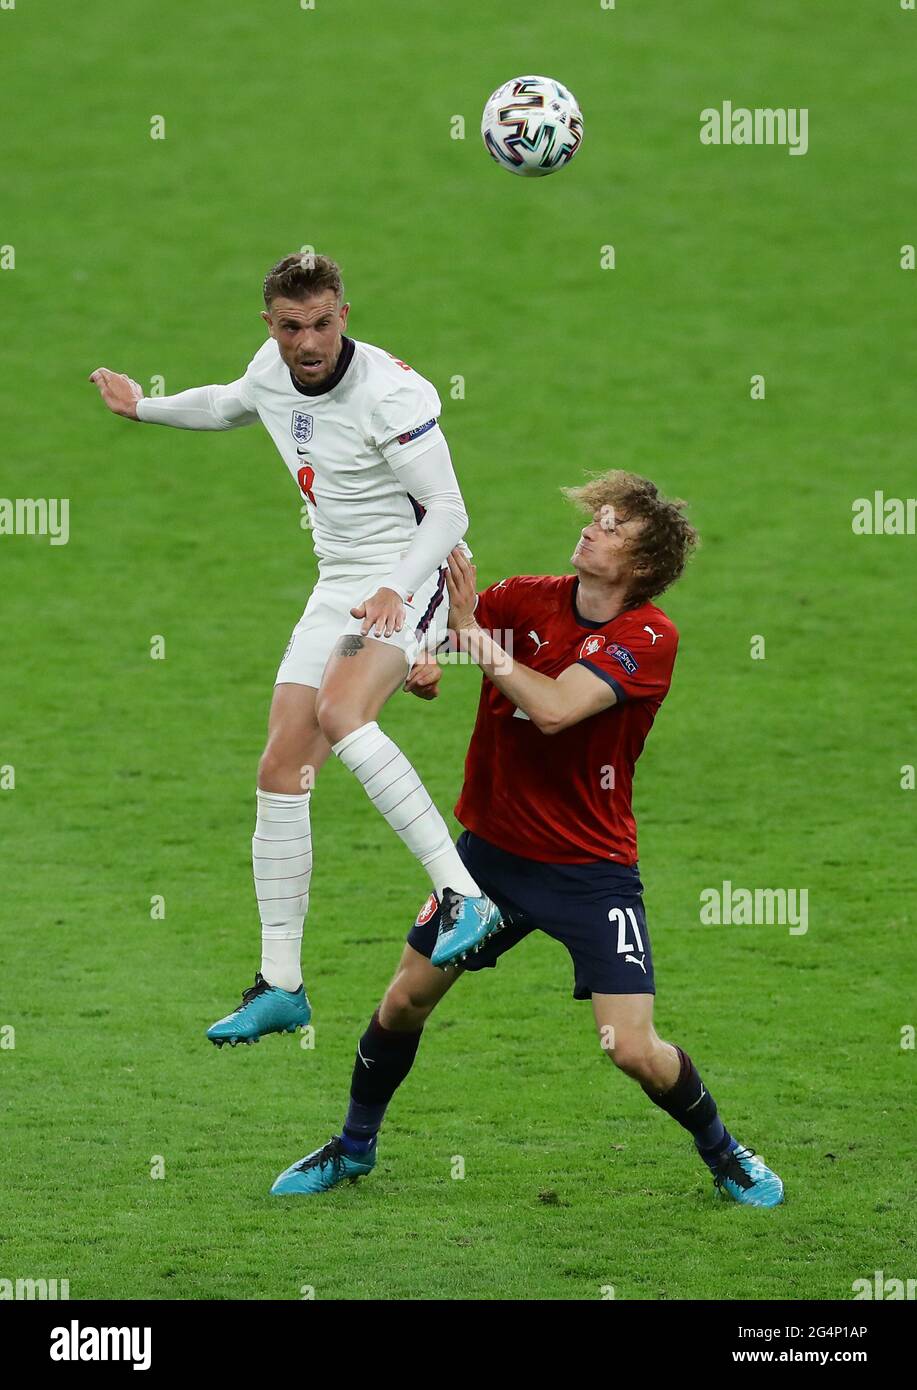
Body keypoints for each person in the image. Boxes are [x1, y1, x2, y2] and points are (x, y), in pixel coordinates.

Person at [270, 471, 784, 1208]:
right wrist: (419, 659)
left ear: (640, 567)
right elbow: (436, 634)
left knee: (633, 1049)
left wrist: (471, 635)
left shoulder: (648, 637)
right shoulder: (519, 597)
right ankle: (352, 1149)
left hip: (590, 871)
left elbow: (551, 708)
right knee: (402, 1003)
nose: (592, 528)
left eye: (612, 527)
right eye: (596, 517)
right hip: (486, 862)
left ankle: (725, 1152)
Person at [89, 252, 501, 1046]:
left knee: (342, 713)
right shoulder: (272, 370)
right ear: (270, 324)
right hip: (337, 580)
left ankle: (464, 896)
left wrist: (399, 597)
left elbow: (448, 511)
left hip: (406, 569)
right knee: (282, 768)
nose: (307, 342)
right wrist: (145, 408)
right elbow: (230, 405)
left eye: (320, 323)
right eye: (290, 327)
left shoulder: (392, 394)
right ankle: (281, 984)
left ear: (344, 313)